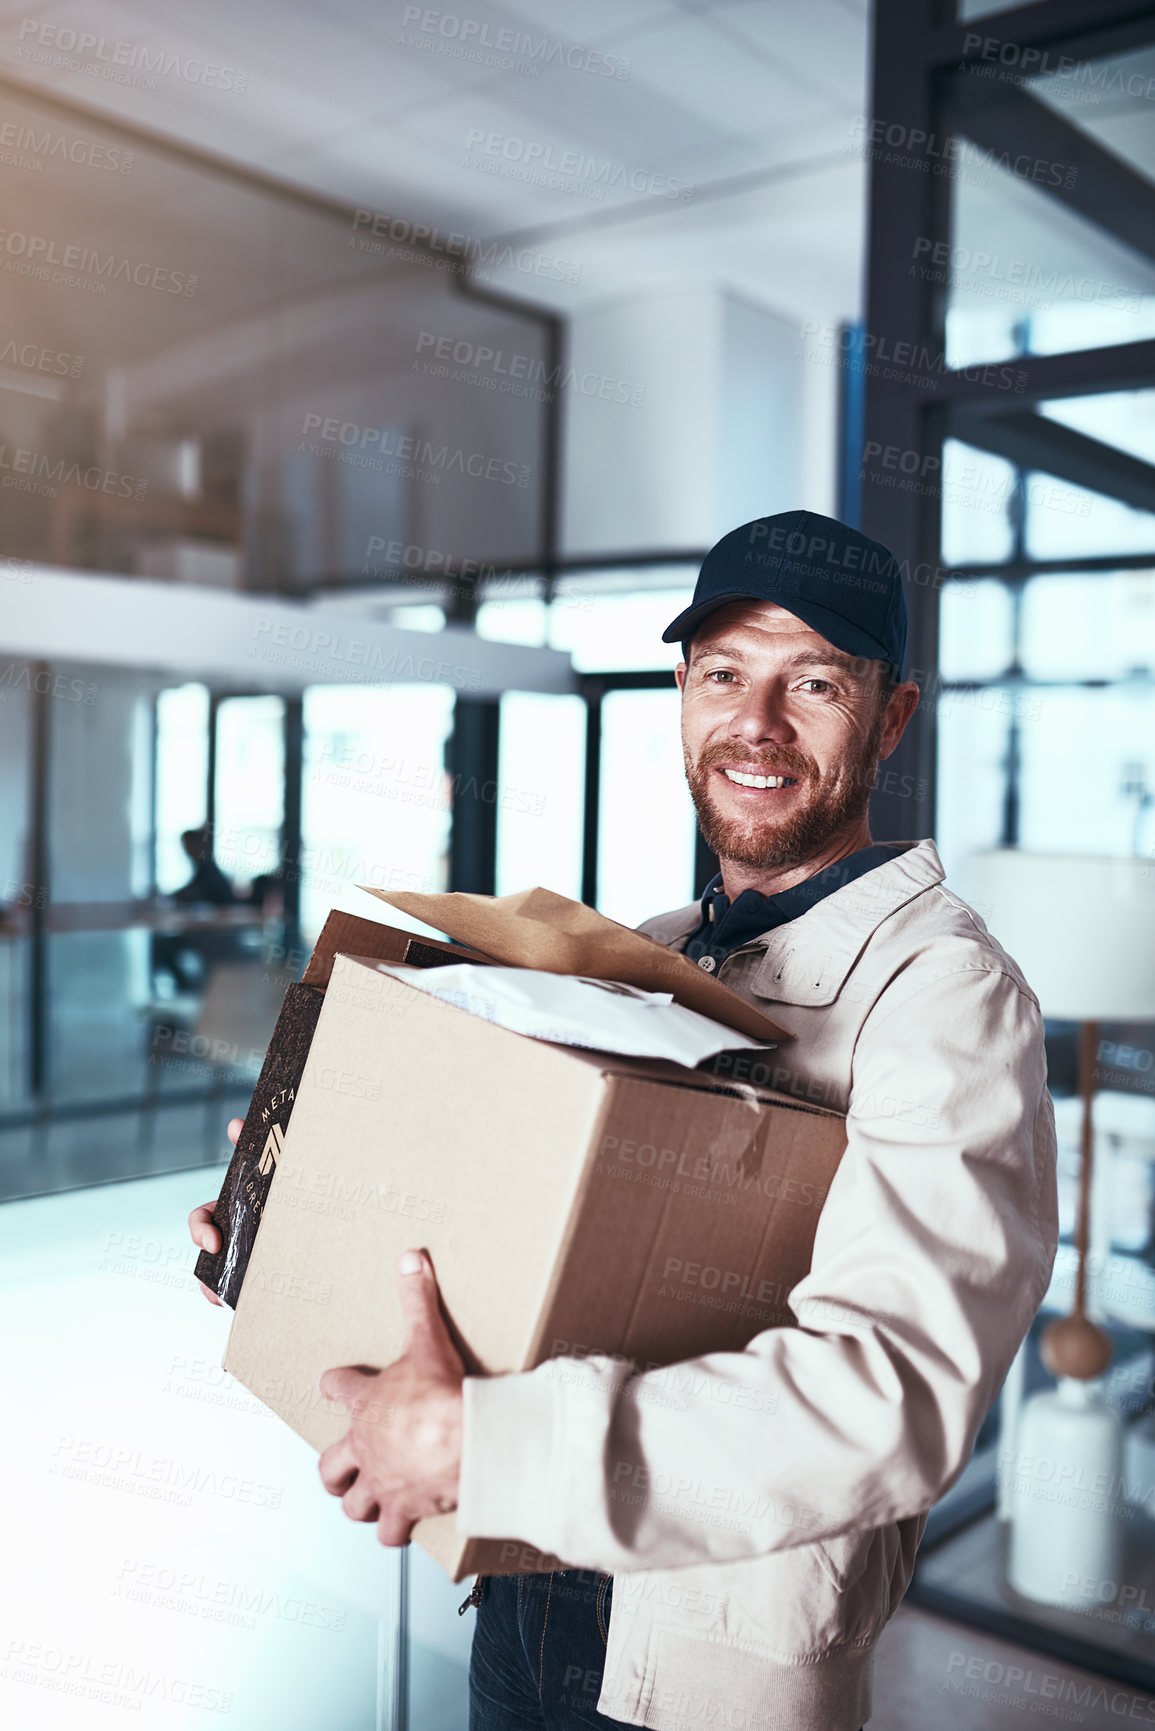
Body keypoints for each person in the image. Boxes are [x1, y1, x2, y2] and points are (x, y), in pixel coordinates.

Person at [190, 509, 1059, 1731]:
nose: (755, 724)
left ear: (892, 717)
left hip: (706, 1655)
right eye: (723, 675)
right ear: (681, 692)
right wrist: (294, 1222)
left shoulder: (947, 997)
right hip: (522, 1587)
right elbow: (516, 1225)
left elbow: (893, 1395)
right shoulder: (653, 953)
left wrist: (483, 1445)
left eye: (811, 682)